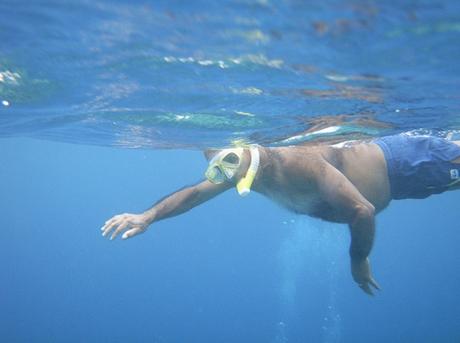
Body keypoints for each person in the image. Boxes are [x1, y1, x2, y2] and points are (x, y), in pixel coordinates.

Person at [100, 133, 460, 295]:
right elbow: (193, 195)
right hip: (401, 186)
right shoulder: (244, 174)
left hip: (405, 161)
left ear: (244, 153)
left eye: (222, 162)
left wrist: (358, 260)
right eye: (212, 165)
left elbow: (361, 211)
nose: (216, 173)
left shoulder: (296, 162)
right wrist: (147, 216)